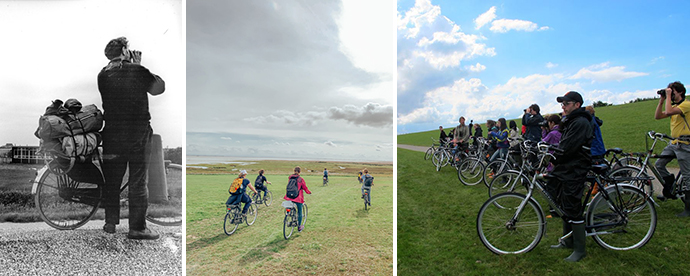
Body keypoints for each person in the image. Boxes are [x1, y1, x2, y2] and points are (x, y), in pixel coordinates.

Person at [98, 37, 165, 239]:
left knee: (113, 181)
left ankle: (110, 223)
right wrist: (139, 66)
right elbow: (159, 87)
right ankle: (137, 228)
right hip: (137, 135)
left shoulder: (102, 75)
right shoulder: (136, 70)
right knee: (138, 180)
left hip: (112, 135)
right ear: (125, 50)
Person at [546, 91, 592, 262]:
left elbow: (567, 147)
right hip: (567, 168)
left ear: (577, 105)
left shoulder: (580, 122)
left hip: (575, 168)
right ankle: (568, 241)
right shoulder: (571, 121)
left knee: (573, 206)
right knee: (565, 205)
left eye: (566, 104)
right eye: (562, 104)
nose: (563, 107)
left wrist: (553, 158)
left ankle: (580, 250)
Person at [654, 81, 690, 217]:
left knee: (687, 177)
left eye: (672, 91)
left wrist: (668, 96)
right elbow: (658, 116)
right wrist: (662, 100)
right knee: (659, 164)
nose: (670, 92)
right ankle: (671, 187)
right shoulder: (673, 106)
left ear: (680, 92)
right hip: (674, 144)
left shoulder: (686, 104)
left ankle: (688, 208)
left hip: (685, 144)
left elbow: (669, 111)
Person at [284, 167, 311, 232]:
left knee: (289, 207)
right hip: (298, 197)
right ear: (300, 172)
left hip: (289, 196)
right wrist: (309, 192)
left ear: (294, 171)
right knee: (300, 212)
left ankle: (289, 214)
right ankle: (299, 226)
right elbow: (304, 187)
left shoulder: (290, 178)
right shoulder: (300, 179)